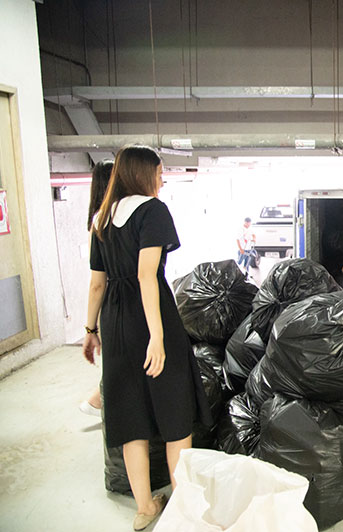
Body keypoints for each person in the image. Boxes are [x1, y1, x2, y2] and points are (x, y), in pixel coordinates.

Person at [82, 145, 212, 530]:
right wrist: (157, 336)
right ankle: (183, 505)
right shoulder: (152, 211)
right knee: (175, 413)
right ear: (143, 173)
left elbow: (96, 283)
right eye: (158, 171)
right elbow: (145, 275)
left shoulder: (101, 219)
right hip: (150, 316)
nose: (161, 178)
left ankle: (145, 508)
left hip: (116, 322)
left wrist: (90, 331)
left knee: (130, 414)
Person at [79, 159, 114, 418]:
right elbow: (97, 283)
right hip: (113, 301)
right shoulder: (102, 222)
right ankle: (97, 401)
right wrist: (91, 328)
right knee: (117, 363)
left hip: (111, 301)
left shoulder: (102, 219)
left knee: (117, 362)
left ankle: (98, 401)